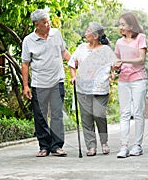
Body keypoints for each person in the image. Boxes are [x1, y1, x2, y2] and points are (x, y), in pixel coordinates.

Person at [21, 9, 71, 157]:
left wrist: (74, 61)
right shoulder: (28, 41)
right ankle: (44, 146)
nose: (48, 24)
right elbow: (25, 64)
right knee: (40, 116)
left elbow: (64, 52)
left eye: (48, 21)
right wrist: (25, 85)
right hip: (39, 83)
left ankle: (56, 146)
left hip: (57, 81)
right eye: (45, 22)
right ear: (36, 24)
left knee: (56, 115)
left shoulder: (56, 34)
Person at [69, 22, 118, 156]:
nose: (85, 33)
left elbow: (115, 66)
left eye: (88, 31)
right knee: (86, 118)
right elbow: (72, 64)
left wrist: (116, 69)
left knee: (99, 115)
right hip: (83, 89)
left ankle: (104, 142)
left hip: (100, 89)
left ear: (95, 36)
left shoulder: (106, 50)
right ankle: (91, 146)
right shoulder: (81, 48)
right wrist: (73, 76)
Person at [114, 12, 148, 158]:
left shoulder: (140, 38)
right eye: (119, 24)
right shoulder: (119, 43)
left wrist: (124, 61)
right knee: (124, 113)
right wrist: (115, 67)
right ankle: (124, 146)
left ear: (131, 26)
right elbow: (116, 62)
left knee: (138, 112)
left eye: (123, 24)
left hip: (139, 79)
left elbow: (141, 59)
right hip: (123, 81)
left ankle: (137, 146)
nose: (120, 27)